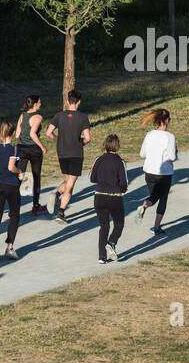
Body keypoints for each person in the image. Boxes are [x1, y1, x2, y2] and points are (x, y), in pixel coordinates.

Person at [47, 89, 91, 225]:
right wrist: (81, 142)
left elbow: (48, 133)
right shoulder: (83, 118)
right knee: (70, 184)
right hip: (76, 153)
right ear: (79, 102)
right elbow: (88, 138)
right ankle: (60, 212)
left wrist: (58, 139)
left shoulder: (59, 115)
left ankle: (57, 194)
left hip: (62, 153)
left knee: (67, 181)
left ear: (67, 101)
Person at [0, 120, 24, 262]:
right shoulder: (14, 149)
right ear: (12, 133)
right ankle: (10, 247)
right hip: (11, 186)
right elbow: (11, 167)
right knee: (14, 215)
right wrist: (20, 172)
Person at [135, 109, 177, 236]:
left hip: (149, 172)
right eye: (169, 119)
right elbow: (172, 157)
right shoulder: (169, 137)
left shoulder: (149, 134)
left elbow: (142, 154)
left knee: (153, 196)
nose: (170, 121)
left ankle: (145, 205)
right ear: (165, 121)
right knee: (162, 198)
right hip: (164, 173)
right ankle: (156, 226)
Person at [89, 134, 128, 264]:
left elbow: (92, 178)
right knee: (119, 224)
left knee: (103, 227)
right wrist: (121, 189)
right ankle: (111, 243)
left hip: (99, 196)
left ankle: (101, 257)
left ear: (105, 145)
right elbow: (124, 183)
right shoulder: (120, 162)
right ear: (117, 146)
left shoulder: (98, 159)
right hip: (114, 197)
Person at [14, 95, 48, 216]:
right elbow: (33, 134)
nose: (41, 104)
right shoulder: (38, 117)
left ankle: (14, 207)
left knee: (19, 176)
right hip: (34, 150)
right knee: (36, 176)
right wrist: (42, 147)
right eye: (39, 102)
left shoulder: (22, 115)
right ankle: (35, 206)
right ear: (34, 104)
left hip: (21, 148)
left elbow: (17, 135)